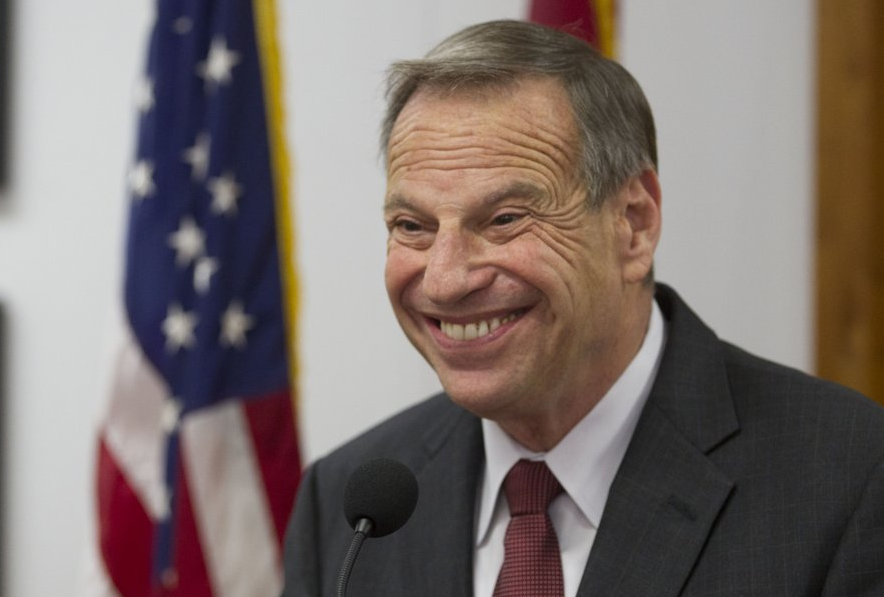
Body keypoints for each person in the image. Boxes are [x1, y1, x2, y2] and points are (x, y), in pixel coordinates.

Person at [281, 20, 884, 597]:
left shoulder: (850, 478)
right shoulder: (345, 509)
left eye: (504, 219)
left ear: (634, 225)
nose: (444, 281)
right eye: (412, 226)